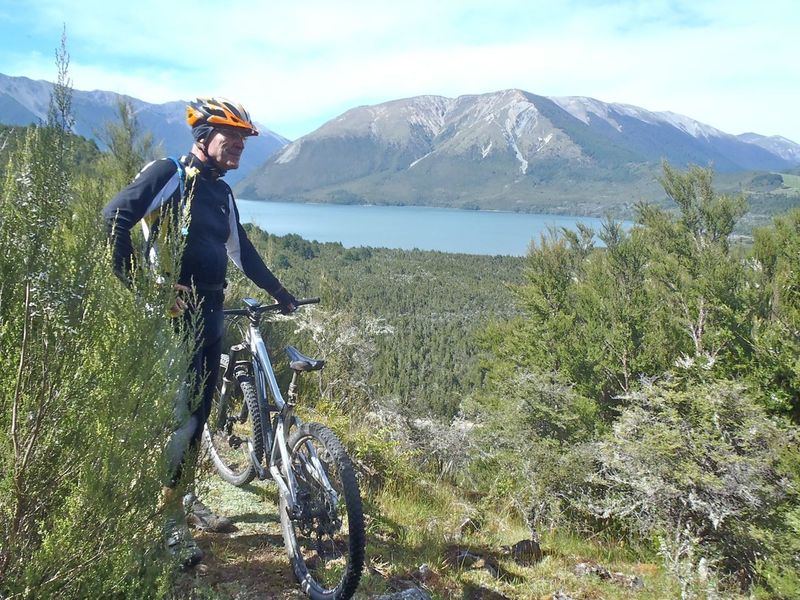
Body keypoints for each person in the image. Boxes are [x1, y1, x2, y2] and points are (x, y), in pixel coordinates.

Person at [103, 97, 297, 567]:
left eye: (243, 140)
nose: (238, 146)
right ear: (203, 136)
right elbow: (115, 217)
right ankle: (168, 523)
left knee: (201, 411)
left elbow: (242, 252)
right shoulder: (170, 173)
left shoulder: (221, 193)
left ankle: (183, 499)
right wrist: (148, 288)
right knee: (182, 417)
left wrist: (280, 291)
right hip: (175, 318)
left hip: (211, 311)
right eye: (230, 137)